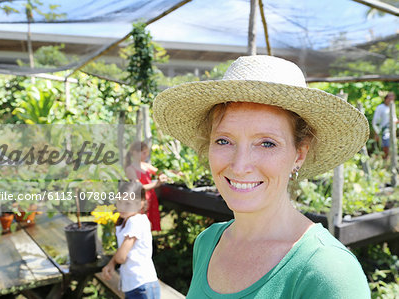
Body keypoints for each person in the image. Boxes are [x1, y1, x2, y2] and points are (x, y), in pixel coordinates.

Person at [153, 55, 371, 298]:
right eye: (224, 140)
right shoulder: (208, 243)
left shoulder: (328, 273)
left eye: (267, 143)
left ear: (299, 154)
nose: (240, 165)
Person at [101, 181, 160, 299]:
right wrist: (111, 264)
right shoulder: (128, 220)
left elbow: (121, 257)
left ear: (140, 204)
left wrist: (114, 261)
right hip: (137, 285)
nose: (122, 207)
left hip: (141, 285)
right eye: (120, 202)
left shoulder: (135, 221)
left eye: (127, 203)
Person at [125, 142, 167, 231]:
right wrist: (157, 184)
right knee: (141, 224)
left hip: (151, 198)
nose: (146, 155)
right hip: (141, 200)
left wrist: (162, 175)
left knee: (150, 223)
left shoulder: (144, 165)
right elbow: (139, 188)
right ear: (134, 152)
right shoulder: (130, 169)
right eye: (143, 153)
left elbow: (159, 171)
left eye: (146, 153)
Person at [372, 91, 397, 160]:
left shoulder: (392, 107)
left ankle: (388, 160)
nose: (390, 100)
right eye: (389, 98)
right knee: (385, 146)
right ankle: (384, 160)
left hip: (391, 130)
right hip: (382, 130)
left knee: (391, 146)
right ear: (385, 99)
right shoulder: (380, 107)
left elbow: (394, 119)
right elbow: (375, 121)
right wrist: (377, 132)